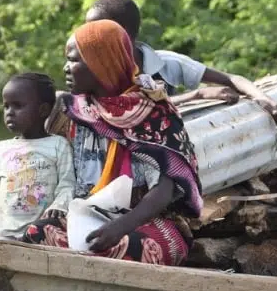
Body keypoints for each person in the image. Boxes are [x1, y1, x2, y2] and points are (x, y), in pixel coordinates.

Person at [22, 19, 203, 266]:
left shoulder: (153, 113)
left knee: (121, 250)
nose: (66, 67)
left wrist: (119, 228)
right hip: (84, 216)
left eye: (74, 60)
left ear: (101, 63)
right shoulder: (70, 110)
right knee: (35, 234)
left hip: (145, 221)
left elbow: (164, 189)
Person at [85, 0, 277, 125]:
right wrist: (196, 96)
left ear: (125, 34)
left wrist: (264, 99)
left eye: (97, 33)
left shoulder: (165, 63)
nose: (88, 39)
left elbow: (231, 79)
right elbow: (127, 111)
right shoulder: (93, 73)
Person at [0, 73, 75, 250]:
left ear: (42, 110)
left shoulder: (58, 145)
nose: (9, 112)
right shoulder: (0, 149)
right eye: (6, 106)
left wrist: (60, 206)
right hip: (0, 233)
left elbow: (67, 183)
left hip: (38, 234)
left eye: (18, 106)